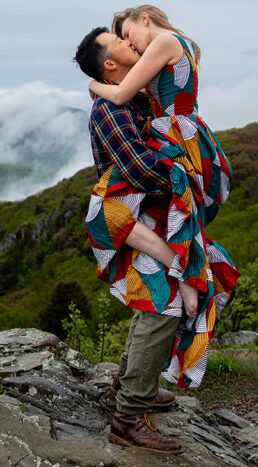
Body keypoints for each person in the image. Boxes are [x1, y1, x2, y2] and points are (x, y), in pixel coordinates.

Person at [73, 26, 189, 454]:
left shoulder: (129, 96)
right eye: (120, 41)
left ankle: (130, 383)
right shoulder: (110, 110)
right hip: (123, 217)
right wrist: (184, 185)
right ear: (109, 63)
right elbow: (141, 170)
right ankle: (127, 416)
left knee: (153, 295)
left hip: (141, 217)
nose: (130, 43)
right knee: (163, 300)